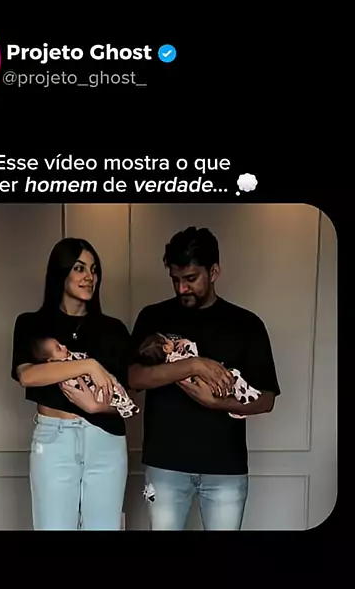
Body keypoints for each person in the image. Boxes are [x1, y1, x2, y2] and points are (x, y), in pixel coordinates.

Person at [128, 226, 281, 531]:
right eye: (175, 279)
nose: (182, 288)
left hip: (226, 470)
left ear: (214, 272)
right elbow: (134, 378)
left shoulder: (246, 324)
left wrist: (217, 403)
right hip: (164, 468)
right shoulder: (153, 317)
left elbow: (266, 399)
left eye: (190, 279)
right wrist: (194, 365)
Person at [11, 238, 132, 530]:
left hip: (106, 441)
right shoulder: (32, 324)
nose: (89, 276)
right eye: (79, 268)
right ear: (60, 272)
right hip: (55, 440)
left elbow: (125, 402)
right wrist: (89, 365)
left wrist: (96, 407)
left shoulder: (114, 330)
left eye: (94, 269)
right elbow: (27, 375)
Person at [136, 332, 261, 418]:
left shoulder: (168, 366)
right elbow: (193, 354)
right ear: (166, 348)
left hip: (203, 386)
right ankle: (246, 396)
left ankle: (242, 399)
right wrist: (185, 342)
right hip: (207, 384)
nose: (172, 340)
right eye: (167, 339)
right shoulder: (178, 358)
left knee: (229, 383)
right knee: (233, 375)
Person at [30, 337, 139, 419]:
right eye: (58, 348)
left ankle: (126, 405)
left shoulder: (73, 356)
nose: (64, 347)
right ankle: (124, 405)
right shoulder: (59, 374)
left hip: (106, 418)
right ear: (50, 360)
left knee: (115, 388)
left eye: (61, 344)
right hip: (91, 393)